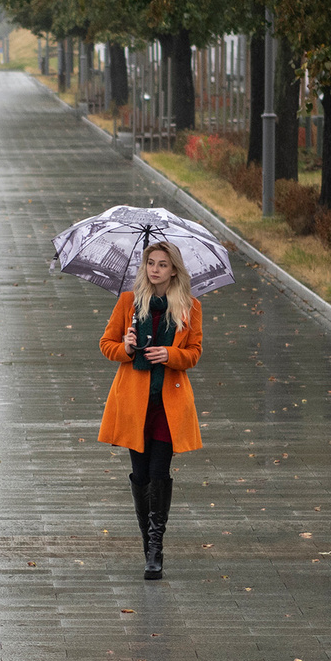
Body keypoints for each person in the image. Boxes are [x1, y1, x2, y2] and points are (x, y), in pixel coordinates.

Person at [95, 238, 202, 579]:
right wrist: (126, 348)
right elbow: (106, 345)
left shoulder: (190, 307)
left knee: (159, 473)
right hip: (134, 403)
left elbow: (195, 353)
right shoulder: (128, 302)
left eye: (162, 265)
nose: (154, 270)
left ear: (174, 271)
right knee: (140, 476)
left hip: (169, 405)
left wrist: (171, 355)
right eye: (150, 263)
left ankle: (155, 550)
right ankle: (147, 544)